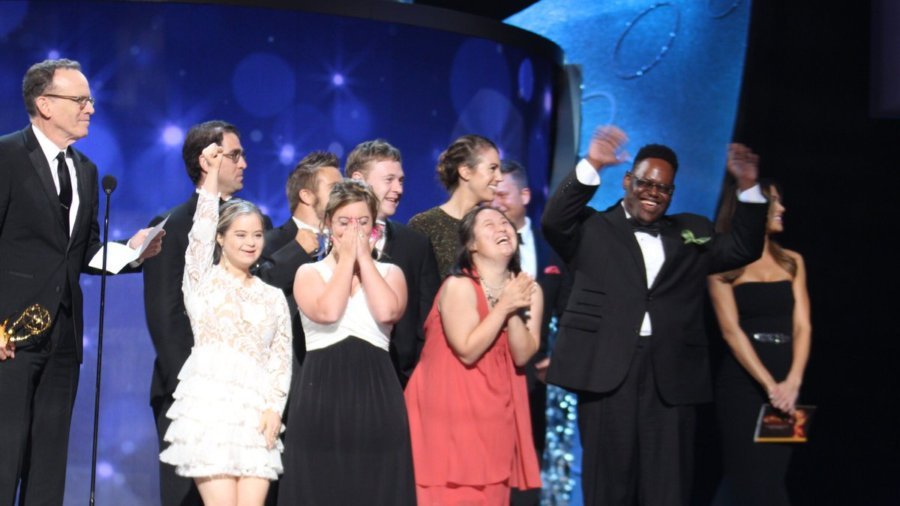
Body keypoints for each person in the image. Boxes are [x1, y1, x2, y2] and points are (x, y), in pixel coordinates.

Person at [541, 126, 768, 506]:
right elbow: (554, 221)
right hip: (607, 370)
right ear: (628, 180)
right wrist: (593, 162)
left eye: (662, 189)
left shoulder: (691, 231)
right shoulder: (591, 228)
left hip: (672, 376)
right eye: (645, 183)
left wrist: (747, 187)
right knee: (608, 486)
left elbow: (743, 247)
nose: (653, 193)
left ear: (671, 194)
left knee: (668, 487)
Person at [0, 58, 162, 505]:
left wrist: (132, 252)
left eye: (91, 100)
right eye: (80, 100)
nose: (90, 108)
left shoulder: (86, 172)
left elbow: (82, 252)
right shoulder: (6, 156)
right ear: (45, 104)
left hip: (63, 340)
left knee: (47, 468)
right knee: (3, 458)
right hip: (8, 338)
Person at [159, 143, 292, 506]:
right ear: (221, 238)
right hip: (210, 413)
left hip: (256, 417)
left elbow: (279, 360)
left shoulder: (271, 296)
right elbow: (200, 230)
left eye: (257, 235)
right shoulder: (202, 282)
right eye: (240, 235)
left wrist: (273, 409)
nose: (251, 243)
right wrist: (213, 178)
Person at [144, 119, 260, 506]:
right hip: (188, 394)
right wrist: (197, 388)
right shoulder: (172, 228)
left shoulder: (254, 227)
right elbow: (165, 314)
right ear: (207, 160)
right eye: (235, 154)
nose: (244, 162)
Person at [286, 180, 415, 505]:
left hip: (377, 397)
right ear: (329, 224)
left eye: (362, 222)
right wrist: (346, 260)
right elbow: (328, 311)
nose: (354, 231)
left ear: (374, 226)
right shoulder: (308, 272)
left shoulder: (390, 272)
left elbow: (388, 311)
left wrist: (364, 261)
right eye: (344, 222)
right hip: (321, 397)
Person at [405, 205, 543, 505]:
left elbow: (522, 355)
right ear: (471, 244)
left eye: (505, 223)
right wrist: (504, 305)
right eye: (489, 224)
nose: (502, 228)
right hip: (447, 415)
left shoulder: (528, 290)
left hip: (494, 417)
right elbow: (467, 349)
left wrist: (512, 306)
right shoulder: (458, 286)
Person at [708, 148, 811, 506]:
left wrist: (792, 383)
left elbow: (803, 325)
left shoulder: (792, 261)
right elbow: (730, 331)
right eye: (775, 203)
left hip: (789, 386)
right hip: (744, 385)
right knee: (745, 478)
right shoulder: (723, 263)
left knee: (773, 478)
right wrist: (770, 386)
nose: (781, 210)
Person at [491, 160, 571, 506]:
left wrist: (559, 355)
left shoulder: (552, 249)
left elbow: (569, 305)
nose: (496, 203)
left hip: (534, 376)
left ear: (524, 194)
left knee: (529, 457)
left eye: (503, 194)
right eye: (491, 196)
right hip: (488, 365)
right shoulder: (477, 246)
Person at [345, 139, 440, 386]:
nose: (398, 189)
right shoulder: (330, 239)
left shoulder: (416, 245)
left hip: (398, 378)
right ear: (358, 180)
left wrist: (417, 374)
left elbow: (427, 319)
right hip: (341, 373)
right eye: (389, 180)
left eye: (401, 181)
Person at [408, 134, 502, 278]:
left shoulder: (498, 226)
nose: (499, 177)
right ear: (465, 171)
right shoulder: (424, 225)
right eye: (492, 168)